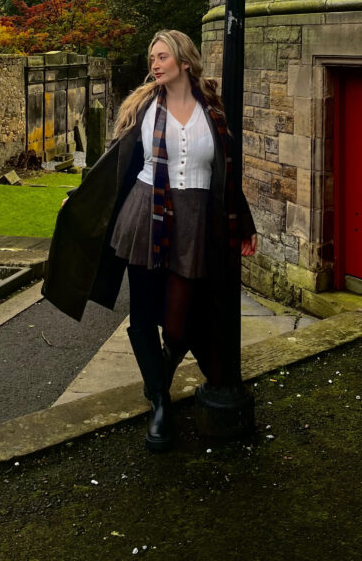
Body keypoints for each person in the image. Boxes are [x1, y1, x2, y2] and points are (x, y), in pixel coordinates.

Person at [42, 30, 257, 451]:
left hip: (195, 221)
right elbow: (117, 160)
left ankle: (160, 372)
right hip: (146, 214)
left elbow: (227, 174)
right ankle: (159, 400)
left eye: (162, 57)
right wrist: (81, 197)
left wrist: (244, 223)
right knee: (142, 314)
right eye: (152, 58)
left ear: (183, 60)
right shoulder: (144, 107)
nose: (155, 64)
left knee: (177, 323)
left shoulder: (211, 109)